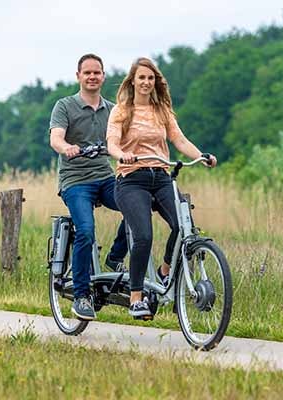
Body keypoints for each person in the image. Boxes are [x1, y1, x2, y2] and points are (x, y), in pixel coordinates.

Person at [106, 57, 217, 319]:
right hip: (131, 179)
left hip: (162, 176)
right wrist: (122, 155)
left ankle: (165, 271)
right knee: (143, 235)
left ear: (156, 82)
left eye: (151, 78)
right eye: (141, 77)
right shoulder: (121, 110)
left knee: (183, 226)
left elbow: (178, 139)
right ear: (133, 81)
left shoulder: (162, 110)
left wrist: (201, 156)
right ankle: (136, 298)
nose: (146, 82)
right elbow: (111, 143)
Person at [49, 53, 128, 321]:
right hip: (76, 180)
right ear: (79, 76)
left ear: (104, 76)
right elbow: (55, 138)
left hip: (105, 177)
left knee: (137, 206)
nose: (93, 77)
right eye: (87, 73)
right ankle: (82, 296)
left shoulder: (112, 110)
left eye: (97, 72)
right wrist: (67, 148)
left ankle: (115, 258)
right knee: (86, 230)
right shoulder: (65, 106)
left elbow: (124, 140)